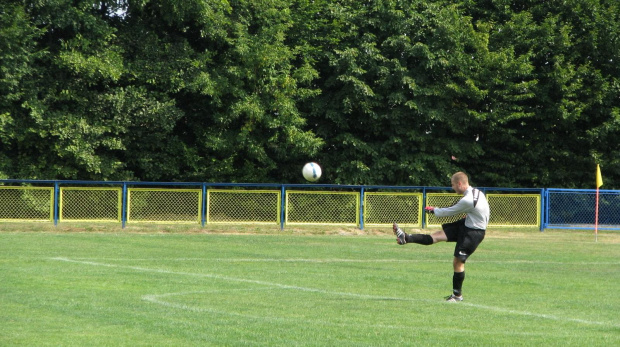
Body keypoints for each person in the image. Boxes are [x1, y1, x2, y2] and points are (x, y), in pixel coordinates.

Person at [393, 172, 490, 302]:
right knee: (437, 236)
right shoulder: (476, 192)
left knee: (458, 262)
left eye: (453, 185)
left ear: (460, 183)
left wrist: (433, 210)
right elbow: (482, 210)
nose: (452, 188)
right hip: (467, 224)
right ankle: (406, 238)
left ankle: (457, 296)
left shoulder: (468, 199)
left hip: (473, 233)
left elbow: (449, 211)